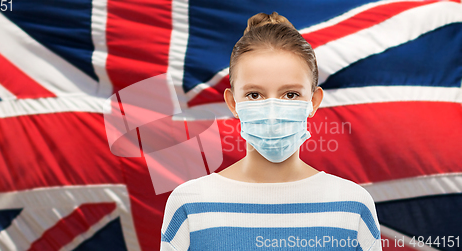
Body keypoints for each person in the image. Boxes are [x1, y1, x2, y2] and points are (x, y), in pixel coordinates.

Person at [160, 11, 382, 251]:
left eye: (291, 94)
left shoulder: (352, 205)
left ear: (314, 101)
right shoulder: (190, 204)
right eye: (254, 95)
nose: (273, 110)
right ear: (233, 102)